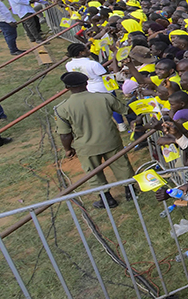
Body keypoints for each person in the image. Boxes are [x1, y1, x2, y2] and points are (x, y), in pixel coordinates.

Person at [53, 72, 133, 209]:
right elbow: (126, 111)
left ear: (67, 87)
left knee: (93, 172)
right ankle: (130, 192)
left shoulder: (62, 108)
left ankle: (107, 199)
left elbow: (65, 134)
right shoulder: (105, 98)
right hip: (110, 140)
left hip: (86, 146)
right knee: (121, 164)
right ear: (86, 83)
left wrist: (68, 149)